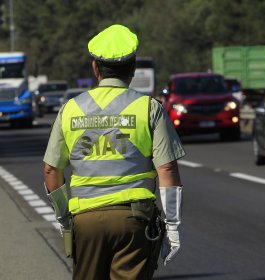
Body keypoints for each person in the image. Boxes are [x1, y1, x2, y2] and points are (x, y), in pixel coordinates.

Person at [43, 24, 186, 280]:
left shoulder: (70, 110)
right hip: (134, 220)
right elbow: (166, 168)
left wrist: (66, 220)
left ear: (95, 68)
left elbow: (51, 171)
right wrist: (172, 226)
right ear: (133, 69)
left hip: (85, 220)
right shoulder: (149, 108)